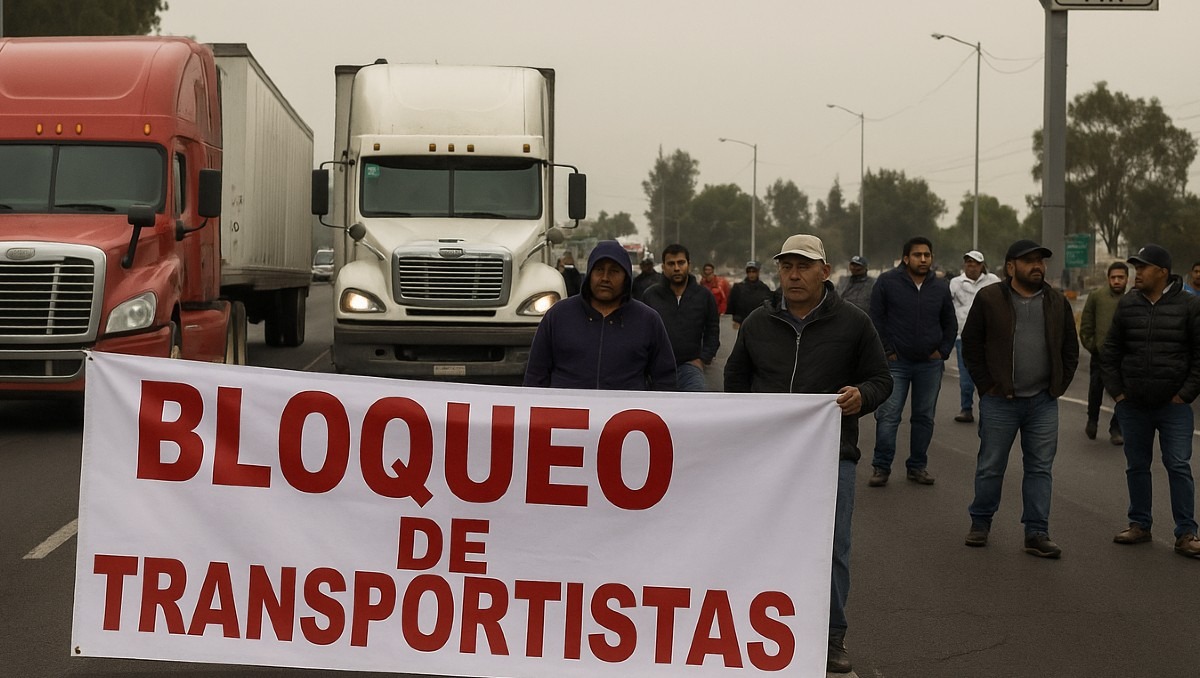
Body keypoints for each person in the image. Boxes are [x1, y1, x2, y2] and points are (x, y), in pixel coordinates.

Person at [724, 233, 892, 674]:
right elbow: (736, 381)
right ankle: (758, 629)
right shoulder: (759, 323)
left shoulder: (855, 323)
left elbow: (881, 378)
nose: (794, 275)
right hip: (768, 459)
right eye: (786, 267)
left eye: (803, 266)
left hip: (831, 455)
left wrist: (863, 396)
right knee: (762, 543)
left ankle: (831, 637)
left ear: (824, 270)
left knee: (832, 548)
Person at [961, 240, 1079, 558]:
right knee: (990, 466)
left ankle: (1036, 533)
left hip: (1042, 401)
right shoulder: (989, 298)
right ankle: (981, 523)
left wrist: (1058, 385)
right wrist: (986, 385)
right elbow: (971, 346)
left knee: (1040, 469)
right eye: (1029, 261)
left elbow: (1070, 347)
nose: (1037, 266)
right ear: (1011, 267)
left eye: (1040, 260)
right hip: (1001, 401)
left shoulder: (1056, 301)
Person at [1100, 243, 1200, 559]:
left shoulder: (1189, 305)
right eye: (1136, 267)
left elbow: (1199, 357)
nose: (1137, 272)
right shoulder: (1128, 305)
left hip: (1174, 407)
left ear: (1162, 272)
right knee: (1137, 466)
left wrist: (1184, 395)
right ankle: (1140, 524)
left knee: (1178, 465)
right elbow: (1111, 351)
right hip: (1133, 405)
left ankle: (1187, 533)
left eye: (1143, 267)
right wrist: (1118, 393)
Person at [524, 240, 676, 390]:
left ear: (626, 277)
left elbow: (665, 379)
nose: (605, 278)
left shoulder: (648, 320)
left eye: (614, 271)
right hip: (566, 413)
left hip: (625, 413)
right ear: (590, 274)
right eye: (599, 270)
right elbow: (536, 375)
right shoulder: (558, 315)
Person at [867, 236, 957, 487]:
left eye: (927, 255)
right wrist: (887, 351)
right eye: (918, 255)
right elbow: (876, 319)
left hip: (929, 365)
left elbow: (950, 322)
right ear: (906, 258)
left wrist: (943, 350)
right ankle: (881, 467)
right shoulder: (887, 282)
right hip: (896, 363)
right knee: (888, 416)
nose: (923, 259)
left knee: (924, 418)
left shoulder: (940, 286)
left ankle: (917, 467)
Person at [643, 244, 721, 391]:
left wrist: (703, 359)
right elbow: (641, 332)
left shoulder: (704, 296)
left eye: (681, 263)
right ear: (663, 267)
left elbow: (712, 329)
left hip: (690, 367)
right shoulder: (650, 296)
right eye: (671, 264)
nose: (677, 268)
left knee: (698, 408)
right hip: (656, 368)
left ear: (689, 265)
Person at [1079, 262, 1128, 445]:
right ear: (1108, 279)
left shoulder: (1133, 298)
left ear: (1126, 279)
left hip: (1125, 357)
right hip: (1101, 355)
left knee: (1124, 395)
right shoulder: (1096, 296)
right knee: (1095, 390)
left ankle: (1116, 428)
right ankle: (1092, 420)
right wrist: (1094, 346)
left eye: (1120, 277)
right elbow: (1086, 326)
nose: (1116, 281)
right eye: (1113, 277)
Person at [948, 250, 1000, 423]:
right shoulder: (955, 283)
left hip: (989, 337)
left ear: (982, 266)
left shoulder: (993, 281)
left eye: (975, 263)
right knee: (966, 375)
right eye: (968, 263)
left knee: (989, 374)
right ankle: (966, 408)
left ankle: (989, 409)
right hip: (963, 336)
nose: (971, 266)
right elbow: (947, 308)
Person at [727, 260, 774, 329]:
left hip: (759, 324)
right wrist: (735, 320)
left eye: (754, 271)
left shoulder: (764, 288)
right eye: (749, 271)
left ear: (758, 272)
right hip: (741, 324)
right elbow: (730, 307)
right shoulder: (738, 288)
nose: (751, 274)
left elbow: (769, 307)